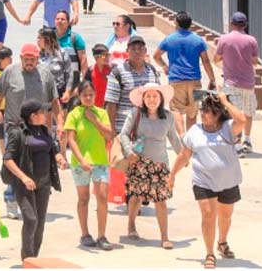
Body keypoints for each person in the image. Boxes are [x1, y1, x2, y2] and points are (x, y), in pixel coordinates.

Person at [170, 92, 246, 269]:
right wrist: (172, 175)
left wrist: (225, 102)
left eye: (206, 111)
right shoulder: (195, 131)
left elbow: (242, 120)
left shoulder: (228, 128)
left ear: (217, 114)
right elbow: (184, 155)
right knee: (208, 215)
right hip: (203, 181)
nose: (202, 114)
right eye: (201, 110)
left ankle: (222, 242)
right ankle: (209, 253)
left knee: (225, 216)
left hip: (228, 181)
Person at [0, 43, 64, 219]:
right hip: (14, 127)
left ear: (38, 59)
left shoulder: (45, 74)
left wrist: (60, 122)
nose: (29, 62)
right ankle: (11, 200)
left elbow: (54, 101)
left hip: (38, 128)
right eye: (26, 59)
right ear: (21, 58)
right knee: (13, 163)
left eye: (33, 59)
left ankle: (35, 198)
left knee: (37, 164)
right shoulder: (9, 72)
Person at [120, 82, 182, 248]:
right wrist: (129, 152)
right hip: (138, 162)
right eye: (148, 96)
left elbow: (174, 138)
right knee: (136, 196)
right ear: (143, 98)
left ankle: (164, 237)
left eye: (155, 96)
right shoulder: (135, 113)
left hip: (160, 165)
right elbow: (123, 134)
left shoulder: (168, 116)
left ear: (161, 98)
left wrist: (183, 156)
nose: (152, 99)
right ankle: (131, 226)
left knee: (161, 201)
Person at [3, 100, 64, 262]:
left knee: (40, 222)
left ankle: (34, 259)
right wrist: (23, 177)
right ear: (33, 116)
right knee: (31, 220)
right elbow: (7, 159)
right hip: (24, 185)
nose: (46, 115)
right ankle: (27, 258)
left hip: (44, 183)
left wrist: (58, 157)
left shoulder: (44, 130)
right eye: (42, 112)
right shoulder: (17, 133)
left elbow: (52, 149)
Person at [104, 36, 160, 206]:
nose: (137, 52)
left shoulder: (152, 71)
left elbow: (159, 98)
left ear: (145, 51)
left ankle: (140, 194)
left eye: (140, 48)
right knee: (130, 164)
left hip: (148, 128)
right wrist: (112, 130)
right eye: (133, 48)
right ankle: (133, 201)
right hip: (125, 129)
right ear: (127, 51)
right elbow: (111, 103)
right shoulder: (118, 73)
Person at [64, 81, 114, 251]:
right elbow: (71, 140)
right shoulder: (73, 114)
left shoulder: (102, 113)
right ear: (79, 96)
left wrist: (94, 120)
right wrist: (82, 160)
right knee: (84, 198)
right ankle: (85, 234)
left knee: (102, 197)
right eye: (84, 95)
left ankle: (102, 235)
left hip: (100, 161)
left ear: (95, 95)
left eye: (91, 95)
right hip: (80, 163)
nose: (87, 98)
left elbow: (109, 135)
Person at [154, 11, 217, 133]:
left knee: (176, 109)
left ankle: (182, 135)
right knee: (192, 112)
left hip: (175, 80)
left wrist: (165, 66)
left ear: (176, 23)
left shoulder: (169, 39)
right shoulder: (198, 40)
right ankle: (190, 137)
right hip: (195, 80)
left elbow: (156, 56)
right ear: (190, 24)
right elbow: (206, 61)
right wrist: (212, 79)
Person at [214, 12, 259, 156]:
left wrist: (226, 59)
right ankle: (248, 140)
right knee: (248, 112)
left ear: (231, 24)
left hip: (231, 83)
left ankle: (238, 145)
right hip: (248, 82)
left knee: (235, 114)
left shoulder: (224, 39)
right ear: (245, 25)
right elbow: (255, 61)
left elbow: (216, 58)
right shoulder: (252, 40)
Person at [55, 10, 88, 103]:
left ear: (68, 22)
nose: (59, 21)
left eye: (62, 19)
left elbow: (83, 61)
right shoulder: (50, 38)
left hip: (73, 81)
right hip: (55, 81)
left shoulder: (75, 38)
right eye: (57, 19)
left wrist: (83, 83)